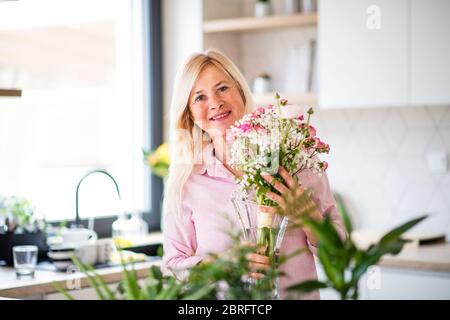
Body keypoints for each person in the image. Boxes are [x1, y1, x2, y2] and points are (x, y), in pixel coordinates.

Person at [161, 48, 345, 299]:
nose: (215, 103)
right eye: (199, 97)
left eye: (223, 88)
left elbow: (340, 254)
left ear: (239, 89)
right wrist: (226, 264)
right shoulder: (186, 183)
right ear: (189, 113)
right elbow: (173, 269)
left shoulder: (293, 158)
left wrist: (309, 217)